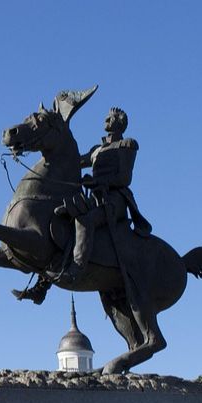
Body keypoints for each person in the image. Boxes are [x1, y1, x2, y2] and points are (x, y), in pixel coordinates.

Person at [50, 106, 152, 284]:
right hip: (95, 199)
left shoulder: (126, 144)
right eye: (106, 117)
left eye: (111, 117)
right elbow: (74, 162)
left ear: (120, 123)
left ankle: (76, 270)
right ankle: (44, 281)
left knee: (85, 221)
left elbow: (124, 178)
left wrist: (98, 182)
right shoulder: (97, 149)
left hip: (115, 199)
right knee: (62, 217)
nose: (105, 119)